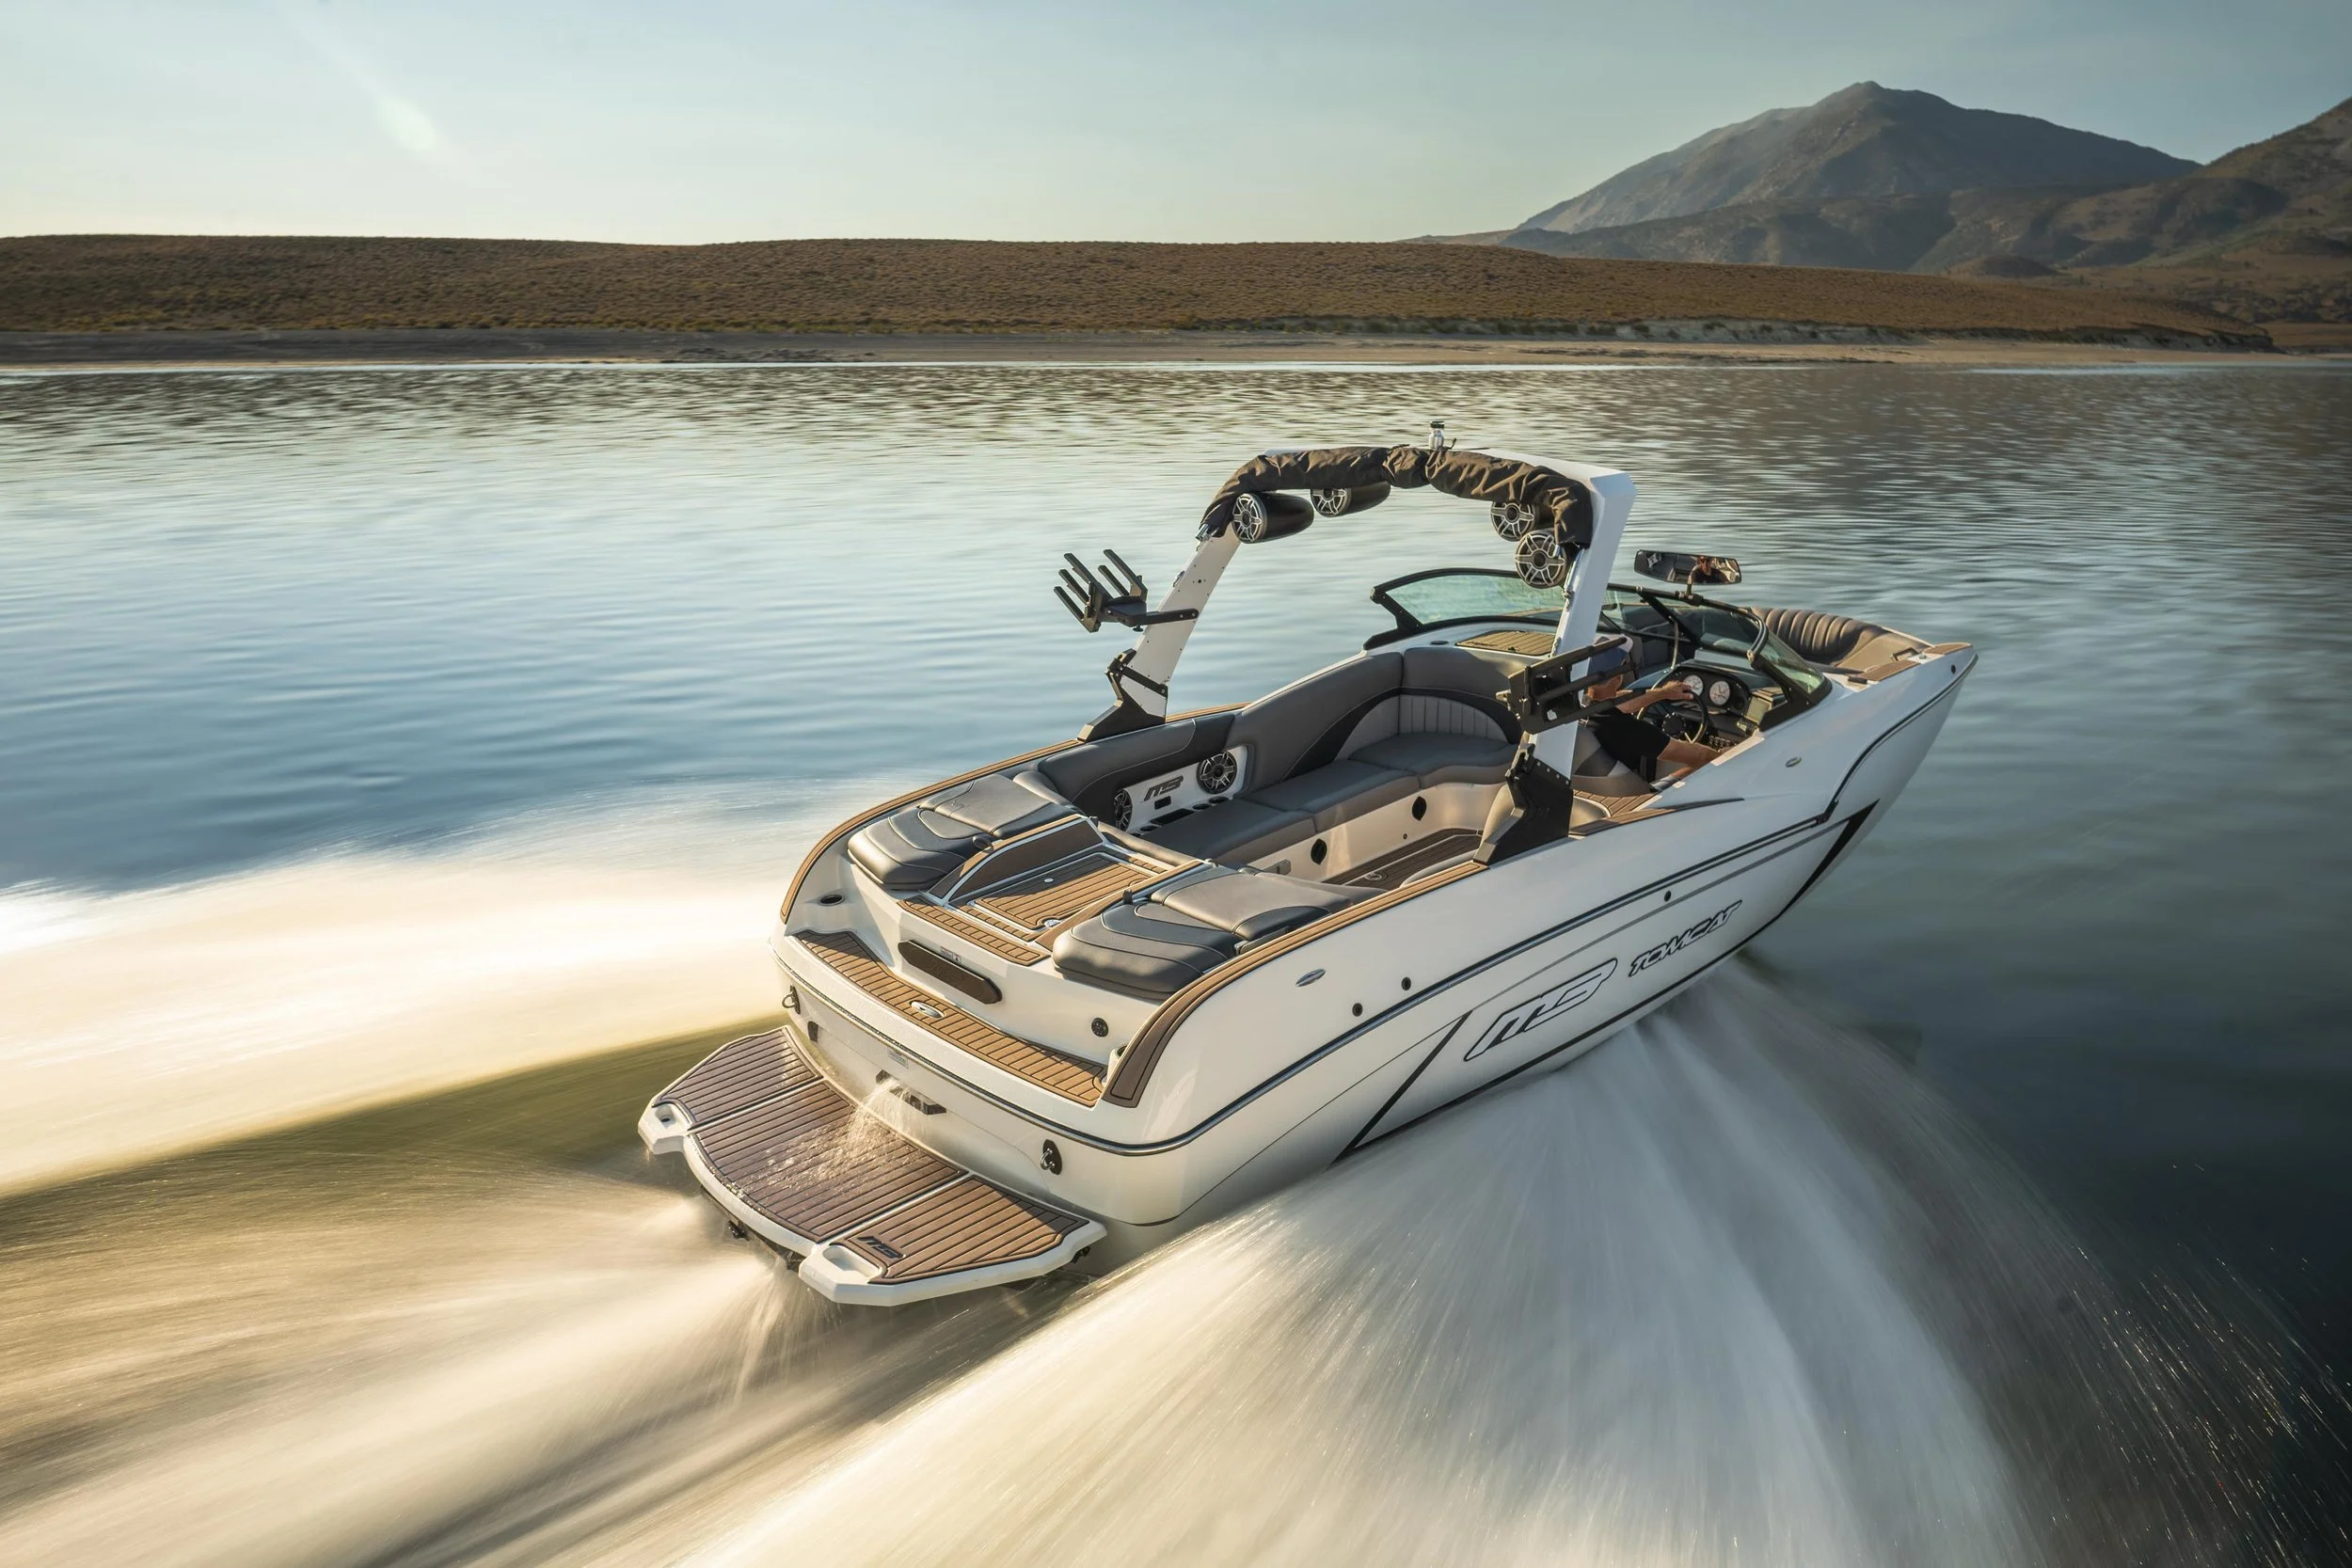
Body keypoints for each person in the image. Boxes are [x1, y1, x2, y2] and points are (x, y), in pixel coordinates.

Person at [1580, 641, 1718, 784]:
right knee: (1704, 766)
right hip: (1638, 795)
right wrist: (1728, 754)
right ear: (1618, 677)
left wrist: (1664, 693)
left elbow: (1619, 703)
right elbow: (1700, 756)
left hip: (1597, 787)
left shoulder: (1580, 707)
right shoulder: (1624, 727)